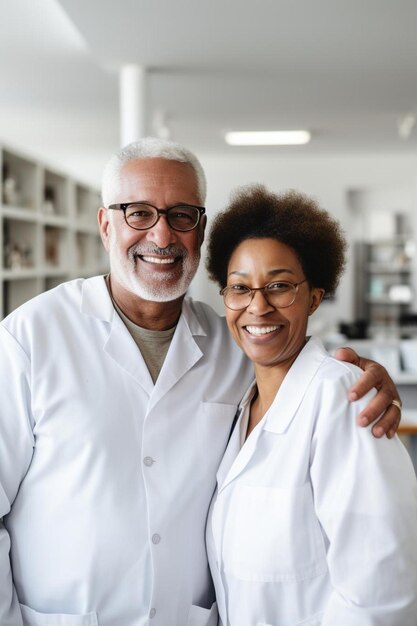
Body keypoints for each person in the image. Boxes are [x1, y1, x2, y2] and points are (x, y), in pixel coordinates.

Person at [0, 138, 402, 626]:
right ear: (106, 225)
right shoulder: (28, 340)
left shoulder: (230, 345)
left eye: (182, 215)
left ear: (202, 229)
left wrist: (358, 375)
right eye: (139, 213)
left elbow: (291, 365)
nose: (162, 236)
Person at [205, 185, 417, 626]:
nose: (257, 306)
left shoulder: (345, 399)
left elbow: (381, 592)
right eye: (240, 288)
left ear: (314, 297)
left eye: (279, 286)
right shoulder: (242, 403)